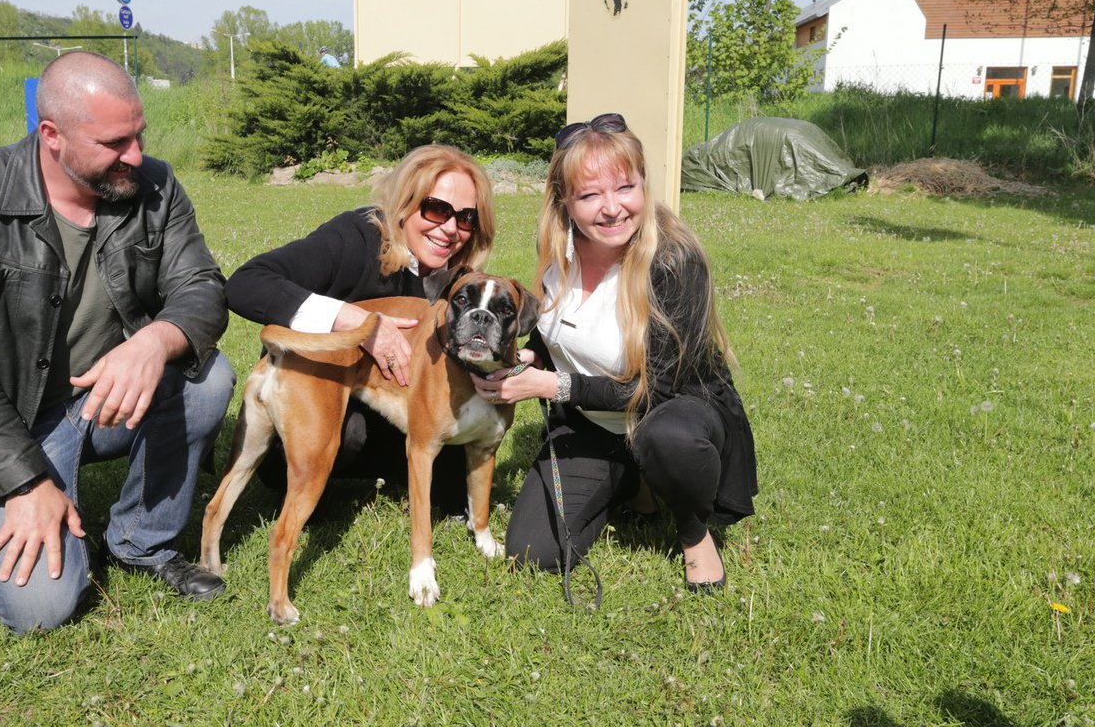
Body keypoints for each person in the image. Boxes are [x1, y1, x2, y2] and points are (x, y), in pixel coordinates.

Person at [0, 51, 236, 634]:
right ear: (51, 135)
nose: (135, 155)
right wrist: (25, 481)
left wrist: (155, 341)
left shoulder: (155, 186)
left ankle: (141, 540)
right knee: (44, 608)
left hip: (105, 403)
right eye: (114, 142)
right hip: (9, 423)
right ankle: (46, 500)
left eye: (139, 135)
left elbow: (202, 286)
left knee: (208, 376)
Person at [471, 113, 758, 592]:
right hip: (592, 422)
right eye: (589, 195)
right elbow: (558, 329)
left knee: (668, 437)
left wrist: (552, 385)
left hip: (670, 413)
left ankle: (693, 534)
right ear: (565, 203)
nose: (612, 209)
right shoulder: (559, 256)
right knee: (530, 553)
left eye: (625, 187)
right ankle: (631, 480)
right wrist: (533, 358)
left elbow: (658, 388)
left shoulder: (674, 262)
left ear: (644, 185)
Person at [225, 143, 495, 512]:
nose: (450, 229)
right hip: (307, 396)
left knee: (450, 492)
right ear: (405, 202)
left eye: (466, 218)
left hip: (395, 405)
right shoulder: (356, 238)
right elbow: (246, 282)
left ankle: (390, 469)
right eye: (436, 209)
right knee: (349, 436)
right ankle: (307, 482)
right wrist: (352, 321)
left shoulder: (459, 283)